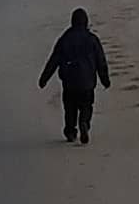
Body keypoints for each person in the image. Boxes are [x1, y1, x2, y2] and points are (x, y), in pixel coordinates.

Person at [38, 8, 112, 144]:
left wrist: (44, 79)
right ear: (86, 22)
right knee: (86, 106)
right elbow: (101, 62)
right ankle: (84, 123)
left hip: (69, 82)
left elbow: (53, 60)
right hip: (87, 82)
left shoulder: (65, 39)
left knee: (70, 108)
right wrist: (105, 79)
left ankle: (71, 131)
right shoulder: (92, 39)